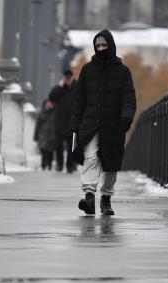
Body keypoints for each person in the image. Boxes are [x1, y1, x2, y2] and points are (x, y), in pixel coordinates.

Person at [70, 29, 136, 215]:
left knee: (110, 164)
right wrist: (74, 124)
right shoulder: (87, 70)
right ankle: (89, 197)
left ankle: (106, 199)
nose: (100, 48)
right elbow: (79, 100)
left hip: (113, 126)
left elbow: (129, 98)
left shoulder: (123, 72)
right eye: (97, 45)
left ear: (111, 46)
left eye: (104, 45)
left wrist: (126, 118)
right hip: (90, 125)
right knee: (90, 157)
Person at [48, 69, 77, 173]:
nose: (68, 79)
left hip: (72, 121)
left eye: (69, 77)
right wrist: (60, 86)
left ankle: (70, 166)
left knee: (71, 146)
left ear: (72, 77)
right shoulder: (59, 88)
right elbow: (51, 98)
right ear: (63, 78)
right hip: (59, 122)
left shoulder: (77, 88)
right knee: (58, 145)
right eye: (66, 77)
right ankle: (59, 165)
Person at [34, 99, 56, 170]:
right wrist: (36, 136)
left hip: (52, 134)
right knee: (43, 150)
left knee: (50, 151)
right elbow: (38, 125)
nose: (49, 104)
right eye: (48, 103)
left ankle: (49, 165)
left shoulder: (54, 113)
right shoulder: (42, 113)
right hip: (43, 135)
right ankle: (43, 165)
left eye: (50, 103)